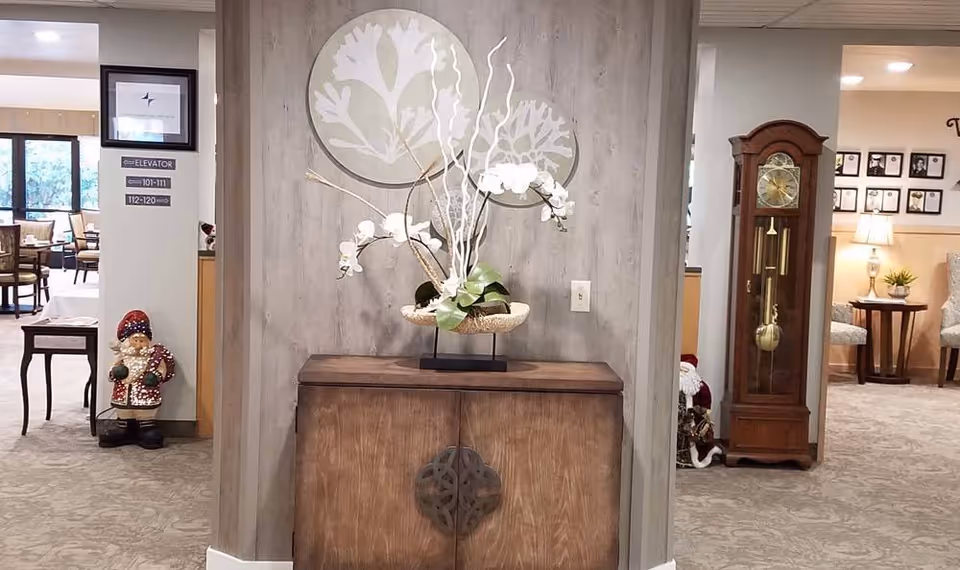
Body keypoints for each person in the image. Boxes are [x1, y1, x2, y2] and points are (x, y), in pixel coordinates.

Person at [98, 310, 176, 449]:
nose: (139, 345)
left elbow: (162, 370)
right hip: (123, 394)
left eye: (142, 340)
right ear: (128, 341)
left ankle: (146, 429)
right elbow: (112, 369)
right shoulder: (123, 356)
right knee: (123, 412)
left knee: (145, 416)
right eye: (135, 340)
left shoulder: (155, 355)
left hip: (146, 394)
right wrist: (116, 372)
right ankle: (123, 428)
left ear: (148, 341)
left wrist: (156, 377)